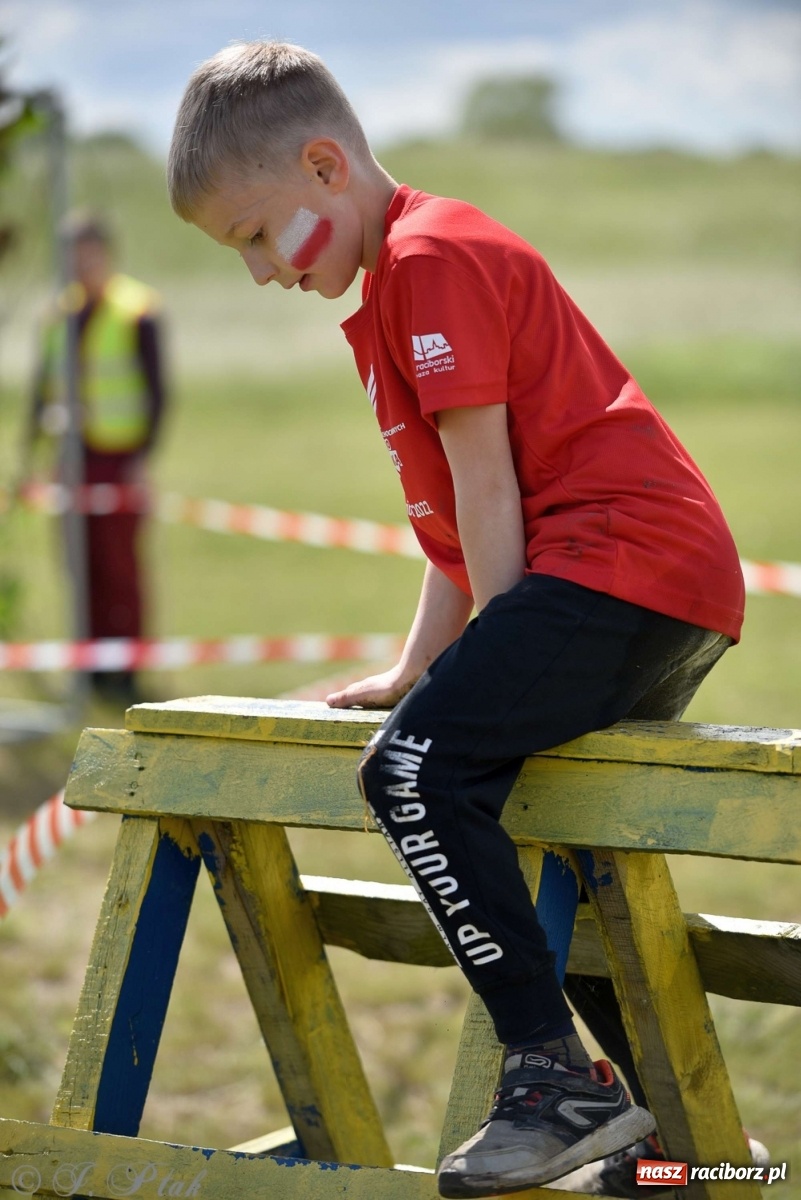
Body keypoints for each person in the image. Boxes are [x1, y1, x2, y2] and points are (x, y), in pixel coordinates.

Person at [167, 42, 754, 1196]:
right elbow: (451, 515)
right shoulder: (394, 282)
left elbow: (492, 489)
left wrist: (480, 658)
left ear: (325, 167)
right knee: (548, 829)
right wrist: (416, 669)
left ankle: (553, 1077)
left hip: (623, 565)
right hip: (644, 579)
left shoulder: (429, 257)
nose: (260, 272)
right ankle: (665, 1146)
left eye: (255, 235)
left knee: (411, 776)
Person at [27, 211, 167, 706]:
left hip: (118, 458)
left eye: (88, 256)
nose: (80, 266)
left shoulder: (138, 311)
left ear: (106, 255)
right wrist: (32, 454)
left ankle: (125, 671)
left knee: (119, 569)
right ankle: (89, 668)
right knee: (78, 564)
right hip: (70, 460)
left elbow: (157, 392)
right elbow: (41, 390)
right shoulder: (56, 315)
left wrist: (142, 457)